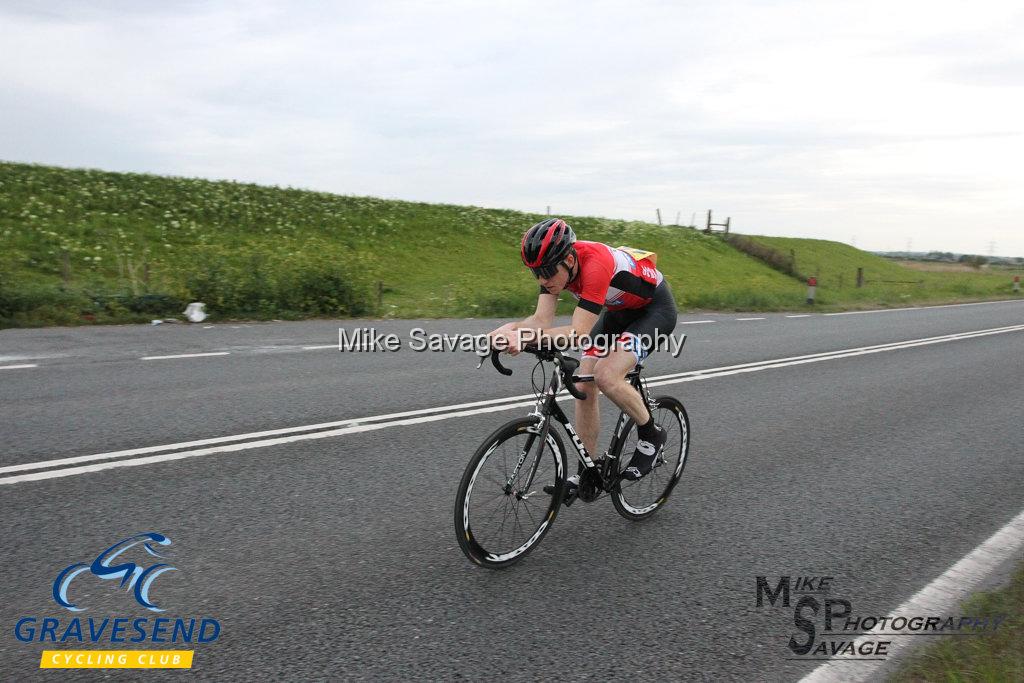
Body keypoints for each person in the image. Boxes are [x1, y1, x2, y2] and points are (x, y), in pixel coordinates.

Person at [488, 217, 679, 488]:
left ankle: (651, 435)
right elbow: (541, 322)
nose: (542, 279)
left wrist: (524, 338)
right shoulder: (554, 270)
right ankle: (587, 471)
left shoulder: (595, 265)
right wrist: (509, 330)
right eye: (536, 273)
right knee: (583, 383)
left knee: (607, 375)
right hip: (618, 310)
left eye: (547, 271)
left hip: (654, 311)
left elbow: (577, 333)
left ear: (568, 259)